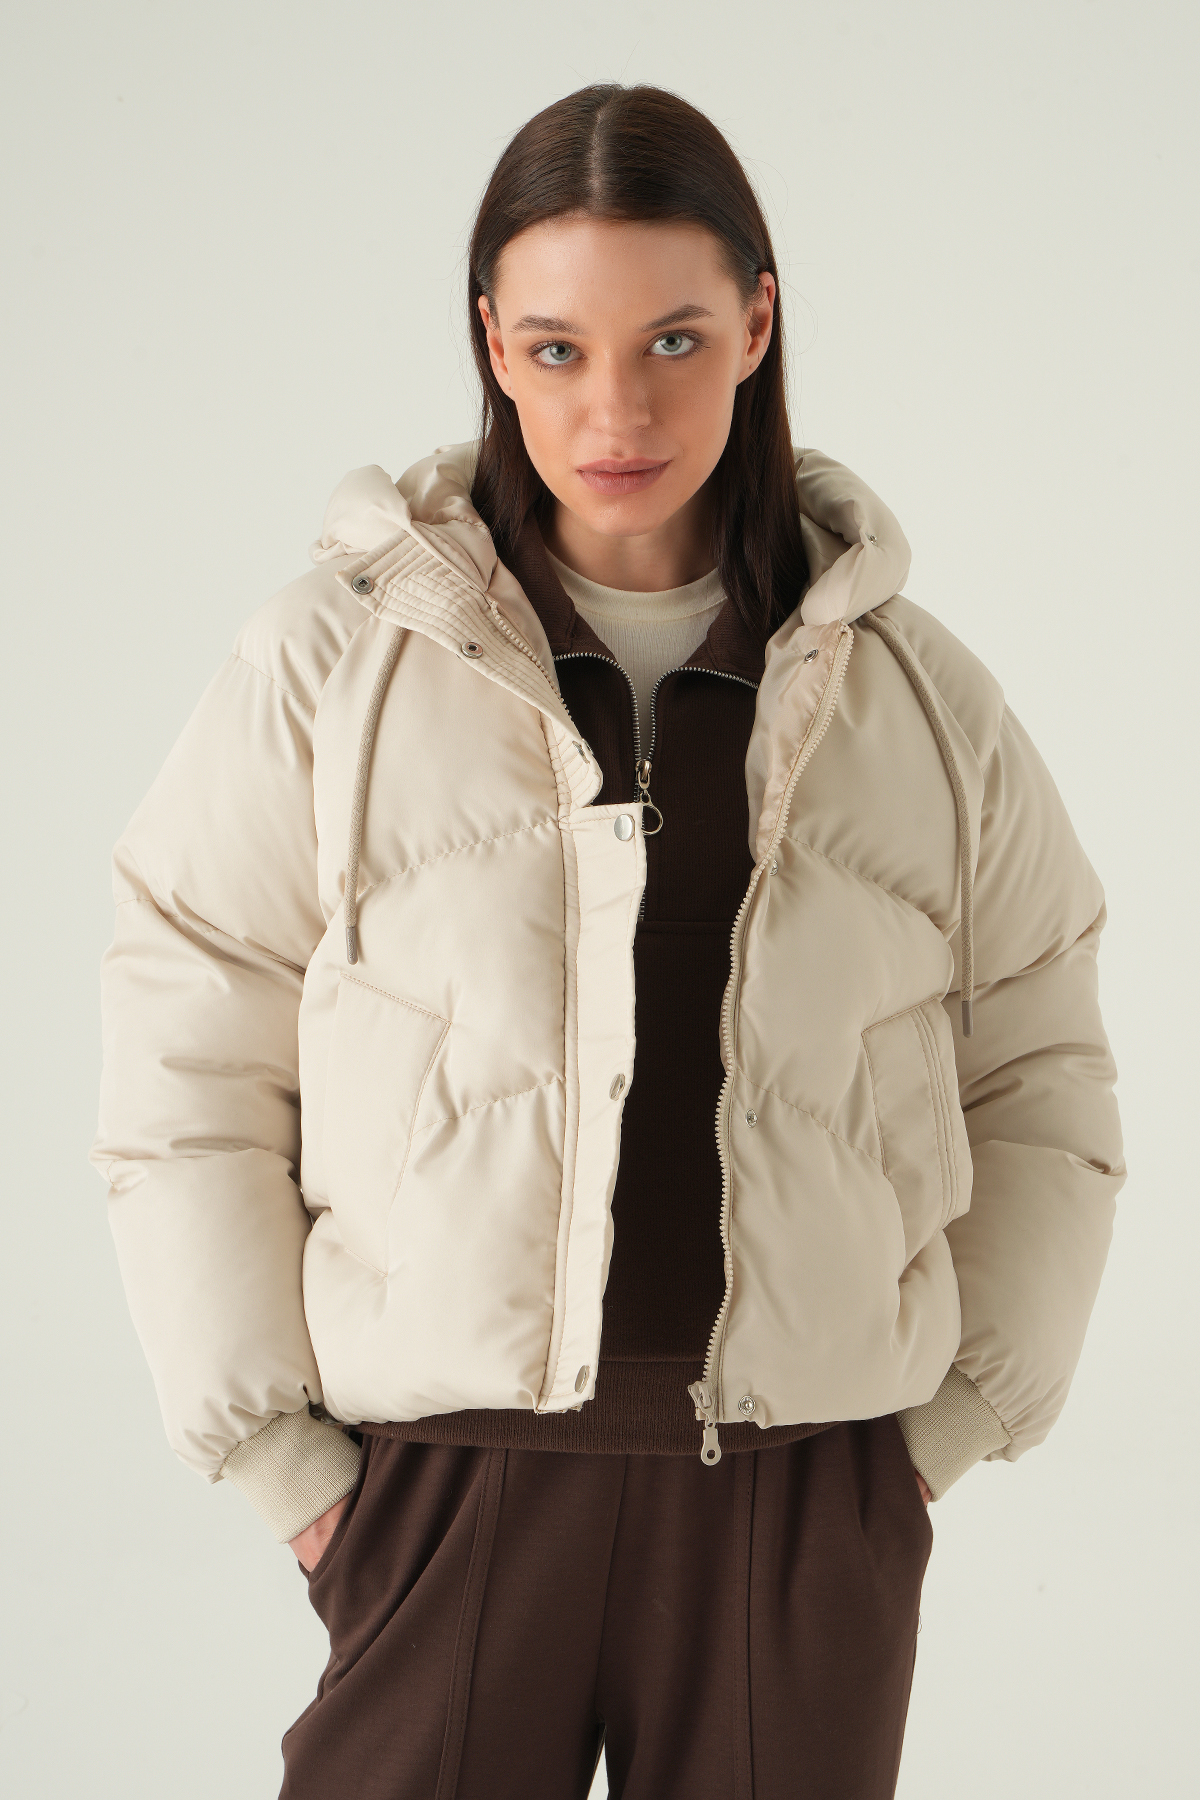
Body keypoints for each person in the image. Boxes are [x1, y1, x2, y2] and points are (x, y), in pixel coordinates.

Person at [92, 83, 1124, 1800]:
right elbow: (185, 1057)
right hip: (441, 1483)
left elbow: (1045, 1070)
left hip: (803, 1495)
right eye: (560, 348)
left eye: (674, 340)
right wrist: (282, 1458)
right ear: (492, 344)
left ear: (758, 327)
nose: (618, 408)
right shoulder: (327, 670)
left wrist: (940, 1436)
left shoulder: (923, 700)